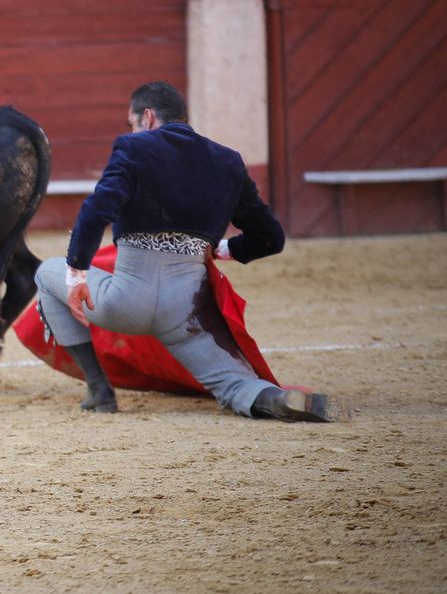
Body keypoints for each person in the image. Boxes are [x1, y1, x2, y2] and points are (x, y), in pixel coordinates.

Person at [33, 81, 334, 423]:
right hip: (187, 310)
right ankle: (276, 400)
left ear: (147, 117)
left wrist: (76, 274)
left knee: (46, 273)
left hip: (126, 299)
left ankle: (99, 392)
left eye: (131, 123)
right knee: (236, 384)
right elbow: (271, 237)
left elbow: (95, 211)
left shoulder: (134, 148)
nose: (131, 130)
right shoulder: (226, 160)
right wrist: (221, 249)